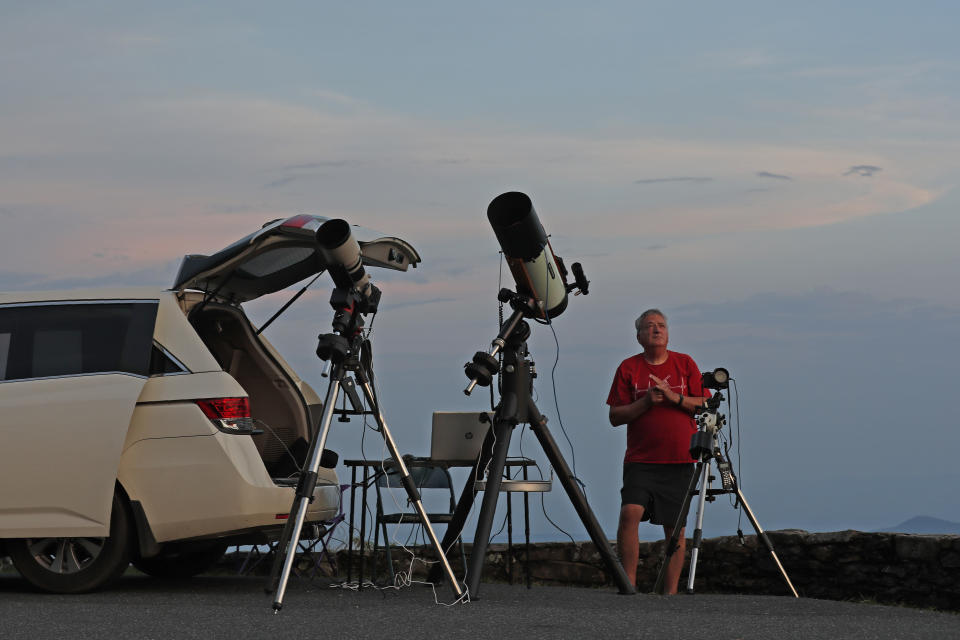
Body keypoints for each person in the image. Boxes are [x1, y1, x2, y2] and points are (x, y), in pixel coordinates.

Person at [606, 309, 708, 594]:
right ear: (639, 336)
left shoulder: (685, 363)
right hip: (641, 460)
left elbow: (704, 404)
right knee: (630, 513)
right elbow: (615, 416)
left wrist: (674, 397)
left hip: (679, 459)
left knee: (675, 528)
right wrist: (647, 402)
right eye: (649, 326)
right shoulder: (629, 368)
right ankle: (628, 586)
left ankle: (670, 593)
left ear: (668, 333)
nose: (656, 329)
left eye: (661, 325)